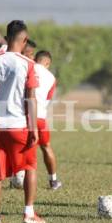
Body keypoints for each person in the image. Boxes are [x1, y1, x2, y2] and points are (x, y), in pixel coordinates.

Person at [0, 20, 46, 223]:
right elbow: (31, 98)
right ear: (23, 40)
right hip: (17, 126)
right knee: (30, 167)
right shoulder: (27, 64)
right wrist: (33, 129)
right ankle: (29, 213)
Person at [34, 50, 62, 190]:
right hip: (40, 118)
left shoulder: (27, 67)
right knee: (46, 147)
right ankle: (53, 180)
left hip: (22, 116)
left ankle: (15, 176)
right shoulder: (51, 78)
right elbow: (47, 98)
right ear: (47, 63)